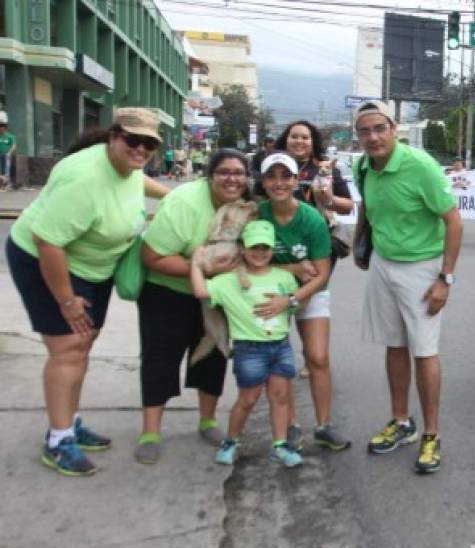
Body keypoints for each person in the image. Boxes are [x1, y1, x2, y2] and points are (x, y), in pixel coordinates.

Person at [6, 107, 160, 476]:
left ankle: (69, 422)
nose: (140, 149)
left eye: (149, 144)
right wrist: (66, 300)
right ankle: (58, 441)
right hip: (46, 261)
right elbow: (47, 242)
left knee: (84, 342)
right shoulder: (85, 179)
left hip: (93, 267)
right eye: (132, 140)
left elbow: (138, 183)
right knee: (67, 348)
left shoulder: (128, 167)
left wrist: (177, 197)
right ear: (114, 136)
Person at [352, 100, 462, 474]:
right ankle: (401, 422)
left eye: (379, 128)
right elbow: (366, 206)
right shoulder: (362, 165)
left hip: (423, 267)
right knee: (394, 346)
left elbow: (454, 222)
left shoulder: (421, 167)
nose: (373, 136)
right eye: (365, 130)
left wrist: (444, 278)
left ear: (393, 128)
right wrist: (359, 243)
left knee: (424, 351)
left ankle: (432, 434)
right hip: (384, 263)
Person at [134, 149, 250, 464]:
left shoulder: (245, 206)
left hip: (215, 296)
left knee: (213, 355)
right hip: (167, 291)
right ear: (209, 175)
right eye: (224, 172)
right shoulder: (185, 203)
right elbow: (151, 257)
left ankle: (208, 421)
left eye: (239, 172)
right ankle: (150, 432)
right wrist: (202, 269)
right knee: (160, 358)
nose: (232, 178)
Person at [190, 220, 304, 468]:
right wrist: (196, 265)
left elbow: (298, 304)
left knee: (281, 396)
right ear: (242, 247)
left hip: (280, 346)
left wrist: (290, 301)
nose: (260, 253)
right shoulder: (228, 281)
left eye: (265, 247)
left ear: (273, 248)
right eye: (254, 247)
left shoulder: (285, 277)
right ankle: (231, 441)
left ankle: (280, 444)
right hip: (249, 349)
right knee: (248, 399)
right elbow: (200, 292)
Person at [257, 152, 350, 452]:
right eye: (272, 176)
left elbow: (321, 275)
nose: (279, 183)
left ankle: (324, 425)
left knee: (318, 357)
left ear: (297, 181)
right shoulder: (257, 215)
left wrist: (295, 297)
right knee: (279, 362)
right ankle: (290, 424)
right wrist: (292, 270)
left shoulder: (311, 218)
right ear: (263, 181)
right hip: (270, 293)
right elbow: (248, 265)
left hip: (310, 290)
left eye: (286, 176)